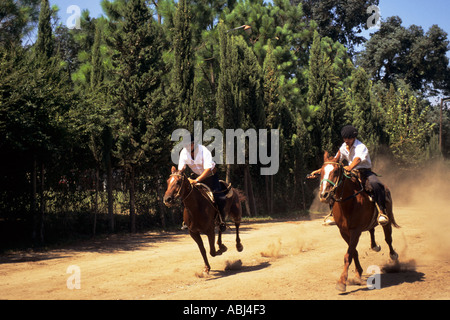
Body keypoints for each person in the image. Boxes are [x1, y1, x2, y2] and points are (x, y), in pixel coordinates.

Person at [309, 125, 389, 226]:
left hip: (364, 172)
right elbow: (335, 163)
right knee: (336, 186)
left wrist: (350, 167)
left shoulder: (361, 147)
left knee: (376, 183)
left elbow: (358, 159)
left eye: (349, 138)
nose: (346, 140)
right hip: (350, 171)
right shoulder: (343, 147)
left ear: (354, 137)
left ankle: (382, 212)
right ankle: (333, 214)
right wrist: (320, 171)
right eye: (344, 138)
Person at [178, 135, 227, 232]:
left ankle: (221, 220)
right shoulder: (184, 152)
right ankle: (187, 221)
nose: (186, 147)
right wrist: (181, 171)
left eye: (188, 145)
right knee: (185, 195)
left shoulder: (204, 151)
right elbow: (181, 168)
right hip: (196, 176)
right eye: (184, 145)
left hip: (210, 176)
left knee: (220, 197)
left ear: (193, 144)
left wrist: (197, 181)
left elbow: (208, 169)